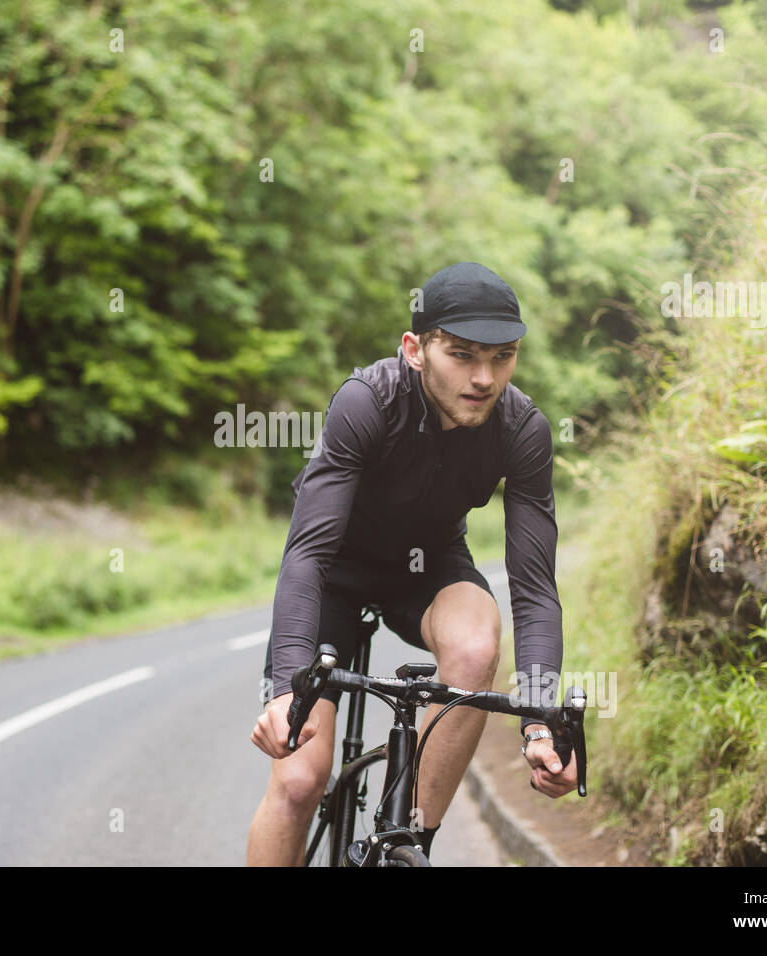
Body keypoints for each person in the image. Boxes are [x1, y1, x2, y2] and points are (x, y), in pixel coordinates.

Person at [246, 261, 578, 866]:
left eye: (502, 357)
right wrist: (284, 687)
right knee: (297, 782)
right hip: (336, 576)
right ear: (415, 350)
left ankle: (407, 843)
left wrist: (541, 722)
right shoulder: (366, 402)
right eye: (462, 355)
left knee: (477, 646)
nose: (484, 378)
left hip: (429, 571)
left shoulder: (521, 428)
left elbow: (533, 589)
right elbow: (309, 553)